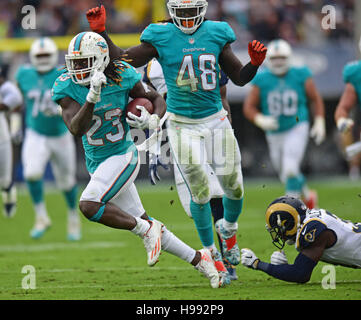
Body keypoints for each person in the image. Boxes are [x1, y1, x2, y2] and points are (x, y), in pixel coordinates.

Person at [86, 1, 267, 273]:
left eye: (189, 11)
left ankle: (229, 233)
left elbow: (235, 82)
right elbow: (124, 61)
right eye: (179, 12)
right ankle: (212, 254)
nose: (185, 18)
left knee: (232, 186)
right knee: (200, 193)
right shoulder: (159, 42)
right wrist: (102, 32)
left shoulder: (216, 34)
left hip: (214, 120)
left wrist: (253, 65)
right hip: (180, 124)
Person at [51, 31, 224, 289]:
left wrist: (153, 120)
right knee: (145, 220)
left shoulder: (121, 74)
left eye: (83, 62)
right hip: (97, 162)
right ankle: (201, 259)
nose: (76, 69)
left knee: (88, 204)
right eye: (73, 62)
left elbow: (154, 98)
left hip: (123, 155)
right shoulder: (67, 86)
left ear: (99, 60)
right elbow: (76, 129)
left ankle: (144, 230)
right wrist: (91, 97)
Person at [143, 58, 237, 281]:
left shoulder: (207, 52)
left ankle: (223, 257)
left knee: (221, 194)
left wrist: (228, 134)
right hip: (181, 134)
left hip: (212, 129)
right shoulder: (151, 67)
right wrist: (154, 145)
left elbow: (222, 97)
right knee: (198, 201)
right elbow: (150, 106)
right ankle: (218, 253)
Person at [243, 39, 326, 209]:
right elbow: (248, 107)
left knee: (290, 169)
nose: (278, 62)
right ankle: (309, 196)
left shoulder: (301, 73)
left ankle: (293, 210)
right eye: (274, 59)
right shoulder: (262, 78)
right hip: (274, 132)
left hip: (297, 125)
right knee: (286, 173)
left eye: (282, 58)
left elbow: (315, 99)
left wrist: (319, 120)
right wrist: (260, 119)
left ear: (289, 58)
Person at [15, 37, 81, 240]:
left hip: (61, 134)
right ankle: (41, 216)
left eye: (46, 55)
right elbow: (18, 100)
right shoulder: (24, 74)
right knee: (32, 173)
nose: (43, 59)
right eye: (39, 56)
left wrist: (62, 109)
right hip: (36, 133)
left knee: (66, 182)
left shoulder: (64, 73)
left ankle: (73, 218)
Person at [240, 195, 361, 283]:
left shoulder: (313, 228)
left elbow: (300, 274)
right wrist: (283, 269)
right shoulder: (311, 219)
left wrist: (257, 264)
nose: (279, 235)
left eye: (278, 229)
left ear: (288, 223)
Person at [334, 39, 361, 174]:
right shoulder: (356, 74)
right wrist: (342, 120)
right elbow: (343, 108)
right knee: (345, 133)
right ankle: (354, 167)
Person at [0, 66, 23, 218]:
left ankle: (9, 190)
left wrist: (15, 128)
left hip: (2, 138)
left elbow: (16, 100)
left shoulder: (5, 87)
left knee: (4, 180)